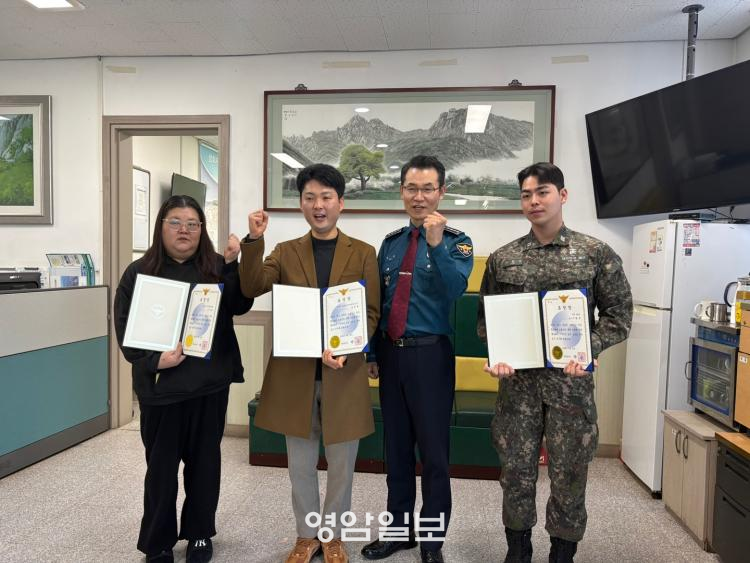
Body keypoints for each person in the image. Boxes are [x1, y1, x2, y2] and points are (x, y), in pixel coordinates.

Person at [477, 162, 633, 563]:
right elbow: (487, 319)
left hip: (570, 386)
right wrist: (498, 355)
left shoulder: (595, 253)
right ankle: (518, 549)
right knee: (515, 474)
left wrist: (589, 347)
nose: (534, 201)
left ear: (562, 195)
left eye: (542, 192)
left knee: (569, 474)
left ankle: (563, 553)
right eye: (526, 195)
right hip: (518, 388)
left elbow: (618, 316)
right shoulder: (503, 258)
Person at [239, 163, 380, 563]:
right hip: (295, 377)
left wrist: (348, 348)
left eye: (326, 197)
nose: (319, 205)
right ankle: (306, 536)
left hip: (343, 374)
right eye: (310, 197)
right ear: (301, 204)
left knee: (342, 466)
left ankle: (332, 536)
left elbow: (371, 313)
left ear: (341, 203)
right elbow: (251, 285)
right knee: (300, 464)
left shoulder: (363, 253)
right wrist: (254, 240)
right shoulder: (285, 252)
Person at [114, 195, 254, 563]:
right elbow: (125, 329)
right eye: (175, 222)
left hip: (209, 386)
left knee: (205, 464)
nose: (184, 230)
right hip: (161, 389)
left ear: (202, 230)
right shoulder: (138, 273)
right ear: (161, 227)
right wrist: (154, 361)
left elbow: (240, 305)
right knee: (161, 470)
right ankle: (158, 541)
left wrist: (233, 264)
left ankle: (200, 533)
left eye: (193, 224)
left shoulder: (216, 267)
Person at [361, 155, 473, 563]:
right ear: (402, 191)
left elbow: (454, 290)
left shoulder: (458, 242)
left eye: (428, 189)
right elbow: (379, 301)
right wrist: (372, 352)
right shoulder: (390, 244)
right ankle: (399, 531)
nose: (419, 196)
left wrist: (436, 245)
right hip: (392, 357)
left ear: (442, 192)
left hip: (431, 358)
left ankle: (431, 541)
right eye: (412, 188)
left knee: (434, 455)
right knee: (397, 451)